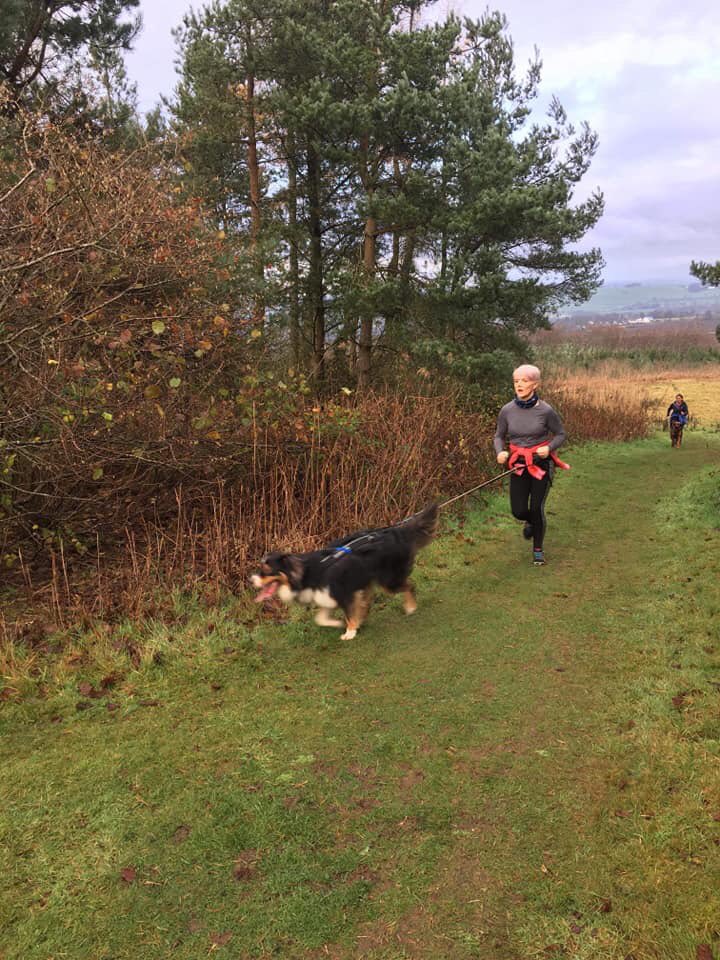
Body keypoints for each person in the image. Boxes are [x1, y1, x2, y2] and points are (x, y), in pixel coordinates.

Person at [494, 364, 568, 566]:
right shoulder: (507, 410)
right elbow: (499, 436)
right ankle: (530, 522)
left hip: (541, 464)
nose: (519, 384)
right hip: (518, 465)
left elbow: (561, 434)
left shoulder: (546, 411)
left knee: (536, 507)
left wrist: (549, 447)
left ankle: (538, 550)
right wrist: (500, 451)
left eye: (524, 381)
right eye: (516, 381)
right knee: (518, 510)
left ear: (535, 384)